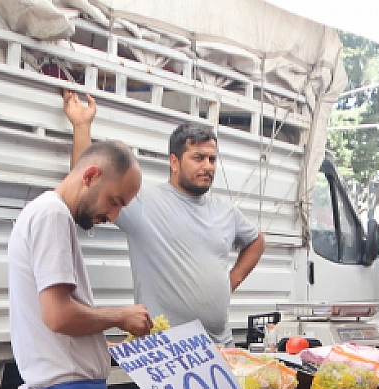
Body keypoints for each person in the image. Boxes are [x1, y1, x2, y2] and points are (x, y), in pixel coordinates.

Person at [64, 92, 266, 346]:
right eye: (198, 158)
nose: (208, 166)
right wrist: (82, 126)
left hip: (220, 346)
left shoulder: (225, 210)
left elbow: (256, 241)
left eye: (212, 159)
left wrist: (230, 282)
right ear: (174, 161)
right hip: (167, 351)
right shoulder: (143, 201)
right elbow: (88, 183)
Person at [6, 138, 152, 389]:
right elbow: (59, 316)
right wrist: (120, 316)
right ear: (91, 176)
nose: (113, 216)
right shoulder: (53, 214)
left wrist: (104, 349)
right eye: (114, 201)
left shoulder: (45, 212)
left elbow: (53, 334)